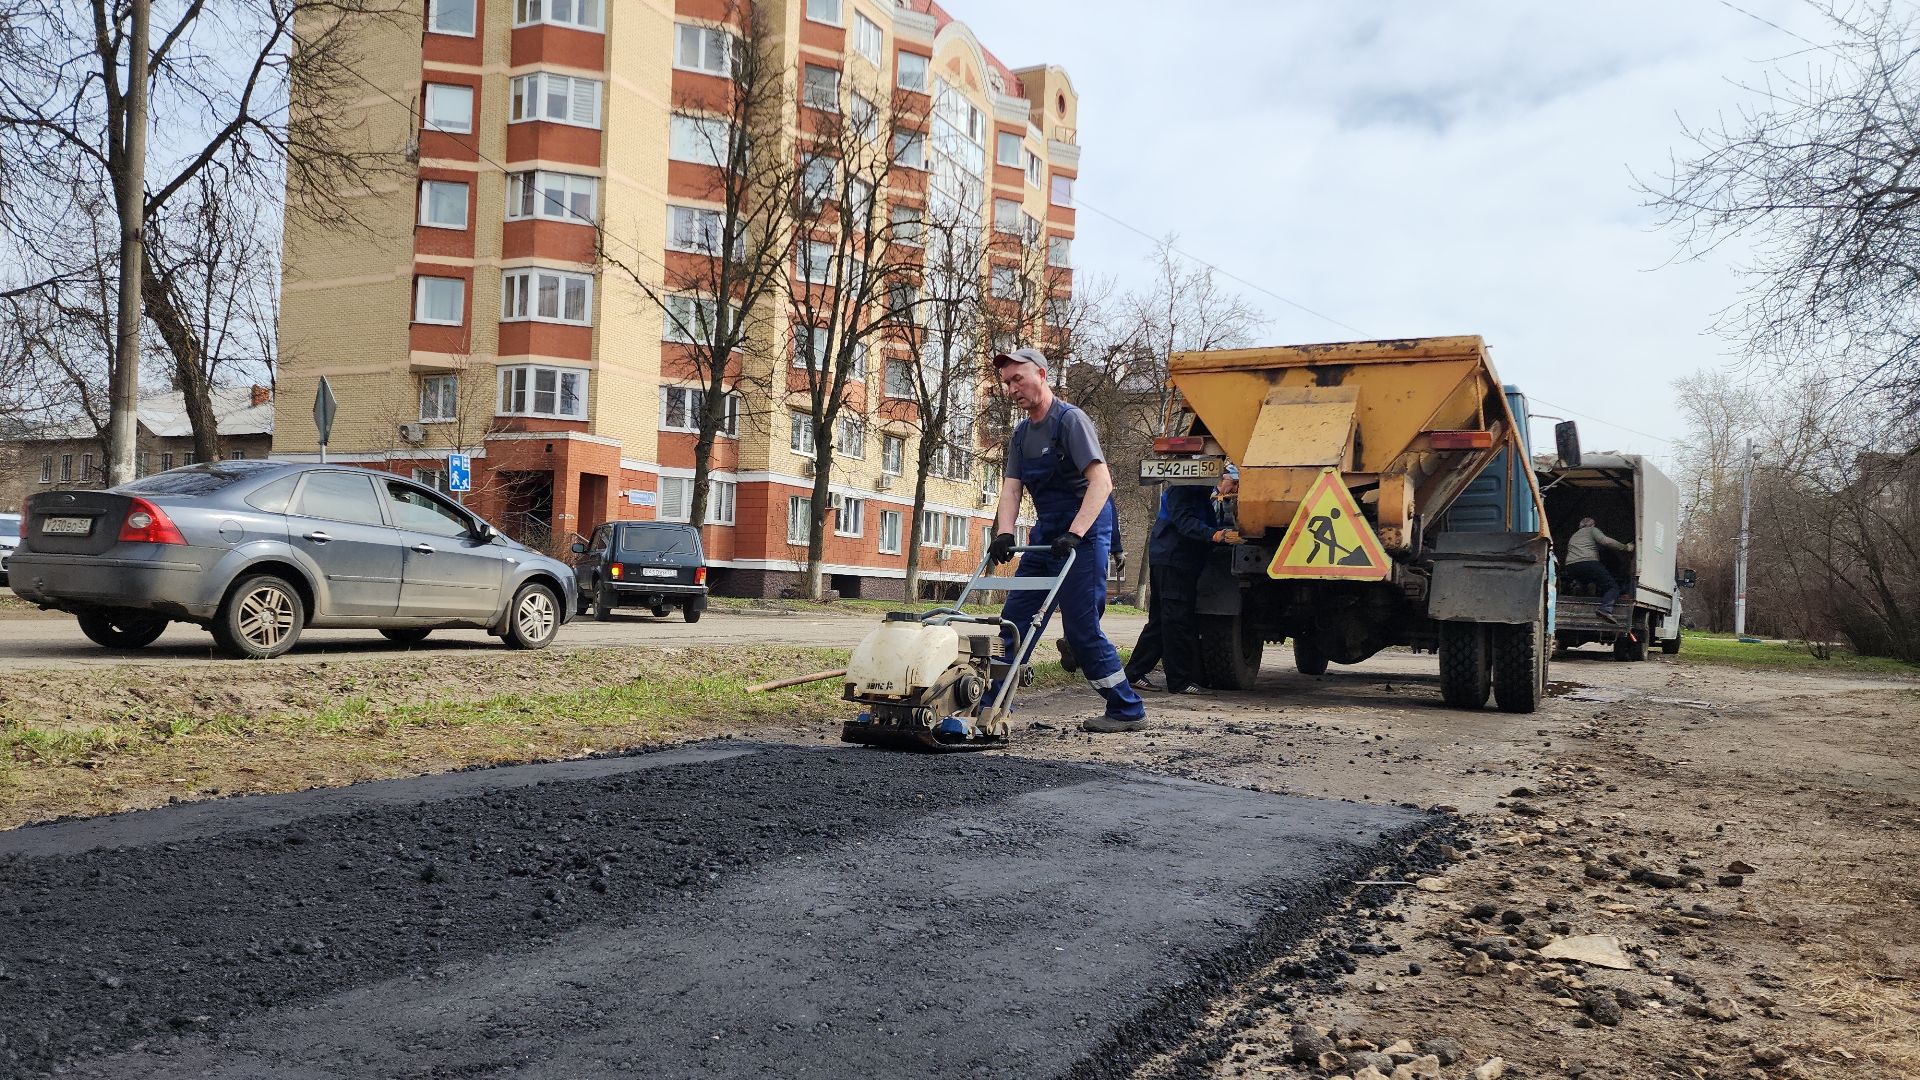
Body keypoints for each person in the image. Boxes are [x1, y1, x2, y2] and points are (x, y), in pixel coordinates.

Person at [987, 347, 1147, 734]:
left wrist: (1075, 534)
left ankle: (1126, 709)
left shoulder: (1071, 420)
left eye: (1018, 379)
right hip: (1046, 532)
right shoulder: (1022, 434)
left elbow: (1102, 483)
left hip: (1085, 530)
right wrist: (1004, 533)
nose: (1012, 389)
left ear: (1042, 374)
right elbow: (1011, 490)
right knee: (1014, 621)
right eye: (1006, 383)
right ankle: (990, 704)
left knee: (1081, 628)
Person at [1123, 467, 1240, 694]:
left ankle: (1134, 673)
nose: (1234, 489)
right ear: (1219, 475)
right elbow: (1185, 522)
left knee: (1160, 621)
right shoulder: (1184, 488)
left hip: (1173, 560)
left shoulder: (1199, 493)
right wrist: (1215, 535)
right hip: (1174, 561)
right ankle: (1179, 681)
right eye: (1233, 483)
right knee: (1177, 620)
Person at [1563, 516, 1634, 623]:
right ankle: (1606, 609)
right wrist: (1626, 547)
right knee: (1612, 587)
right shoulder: (1592, 530)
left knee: (1587, 582)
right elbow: (1606, 541)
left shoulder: (1574, 536)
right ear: (1592, 525)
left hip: (1571, 566)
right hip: (1588, 563)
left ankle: (1579, 596)